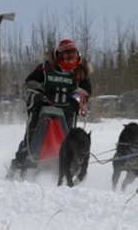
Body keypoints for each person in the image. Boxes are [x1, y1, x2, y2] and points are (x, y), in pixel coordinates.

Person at [10, 39, 92, 173]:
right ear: (59, 56)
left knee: (68, 134)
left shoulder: (80, 73)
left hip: (67, 109)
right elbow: (30, 81)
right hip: (44, 106)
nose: (70, 60)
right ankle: (26, 151)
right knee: (34, 128)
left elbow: (86, 91)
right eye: (66, 56)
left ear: (78, 55)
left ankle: (68, 160)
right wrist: (39, 92)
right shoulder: (46, 68)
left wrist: (76, 99)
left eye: (73, 56)